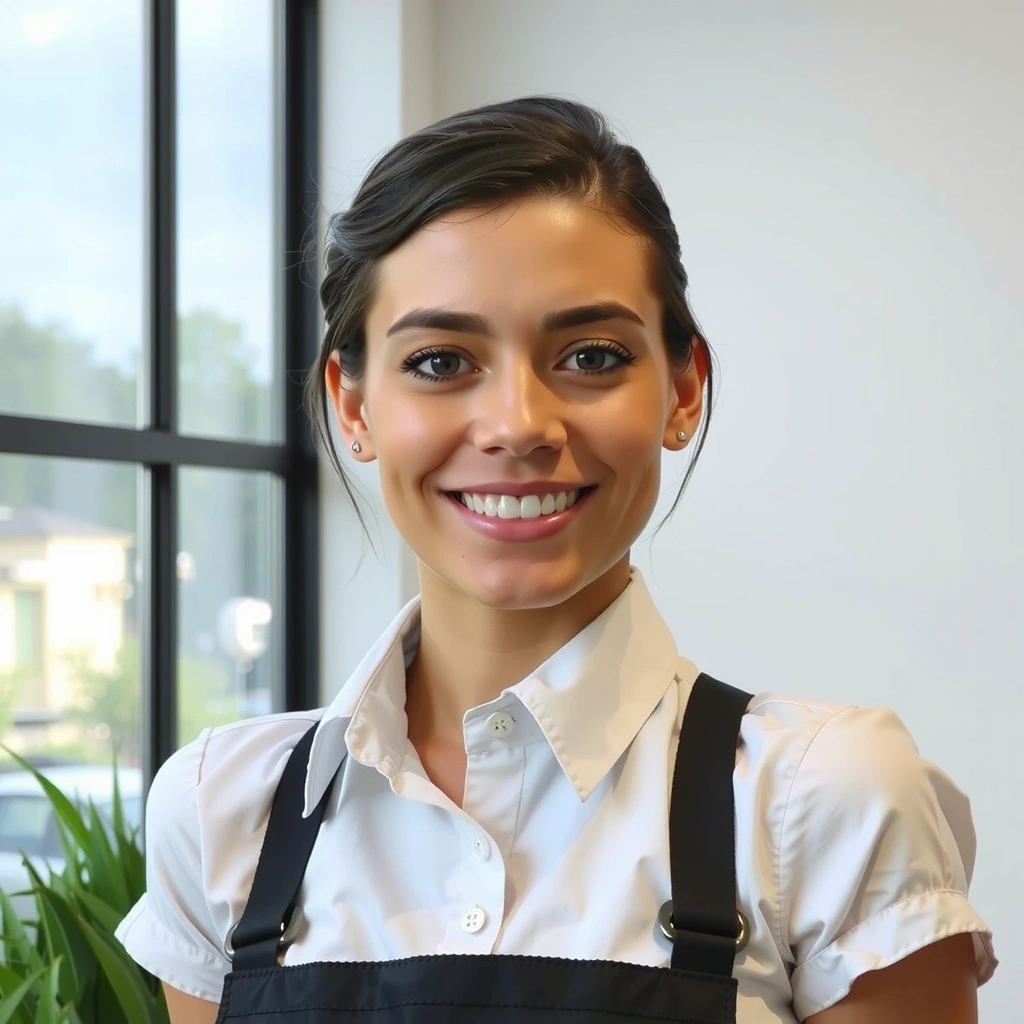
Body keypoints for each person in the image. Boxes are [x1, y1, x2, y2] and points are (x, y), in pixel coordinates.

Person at [115, 97, 997, 1024]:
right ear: (354, 406)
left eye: (591, 356)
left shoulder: (821, 800)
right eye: (439, 362)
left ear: (682, 391)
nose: (519, 425)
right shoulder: (224, 809)